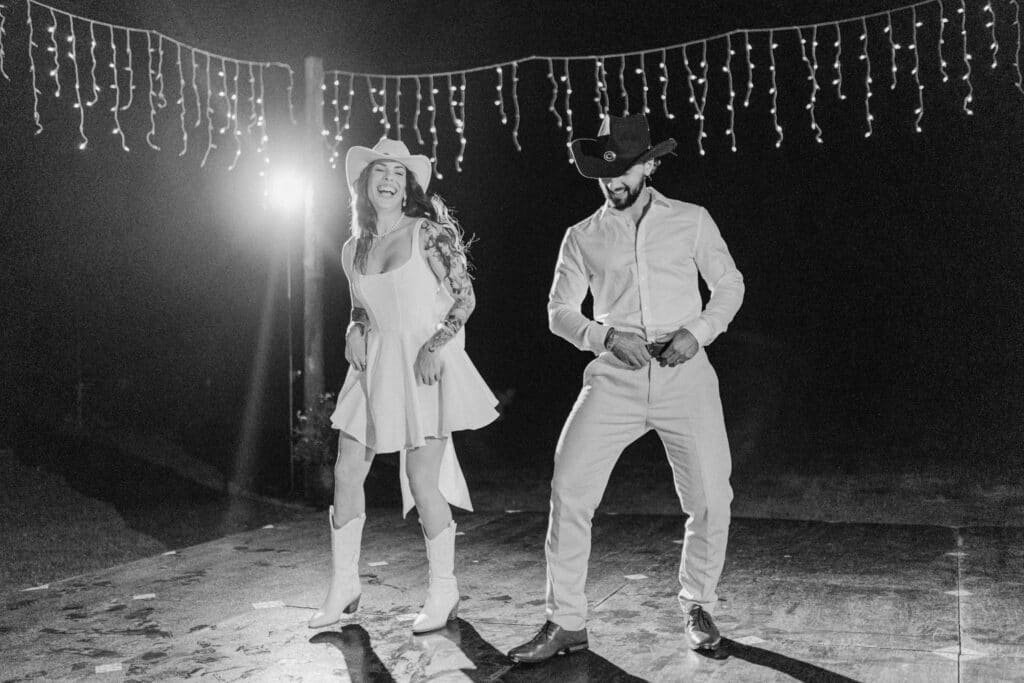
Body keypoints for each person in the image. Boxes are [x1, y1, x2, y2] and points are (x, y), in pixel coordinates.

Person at [508, 114, 744, 662]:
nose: (611, 183)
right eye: (604, 174)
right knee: (569, 489)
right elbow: (558, 311)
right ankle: (566, 623)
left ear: (650, 167)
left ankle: (698, 605)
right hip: (614, 376)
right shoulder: (582, 236)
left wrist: (697, 332)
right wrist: (606, 336)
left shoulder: (691, 220)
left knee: (711, 498)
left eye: (624, 172)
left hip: (685, 375)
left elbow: (729, 285)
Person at [308, 138, 498, 634]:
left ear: (408, 185)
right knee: (347, 470)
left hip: (422, 363)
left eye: (397, 173)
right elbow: (361, 305)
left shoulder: (428, 233)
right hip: (373, 366)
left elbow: (464, 298)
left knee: (421, 480)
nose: (389, 180)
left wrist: (435, 345)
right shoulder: (353, 249)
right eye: (380, 172)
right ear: (365, 185)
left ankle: (443, 588)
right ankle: (344, 585)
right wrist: (353, 327)